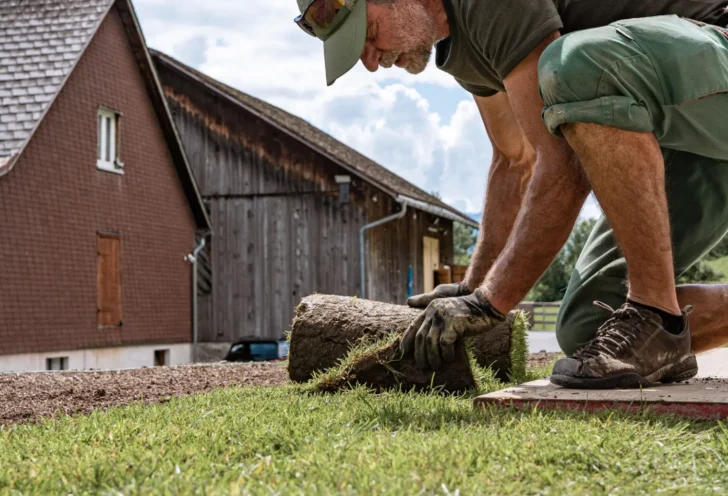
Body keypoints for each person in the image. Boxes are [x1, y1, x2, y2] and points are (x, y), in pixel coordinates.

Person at [293, 0, 728, 389]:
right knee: (589, 325)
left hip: (716, 67)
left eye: (369, 35)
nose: (371, 62)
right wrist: (472, 287)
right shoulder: (460, 48)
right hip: (693, 141)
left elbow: (562, 166)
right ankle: (657, 324)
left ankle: (657, 311)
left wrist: (489, 303)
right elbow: (513, 159)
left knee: (576, 63)